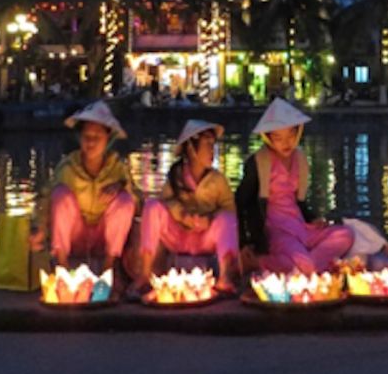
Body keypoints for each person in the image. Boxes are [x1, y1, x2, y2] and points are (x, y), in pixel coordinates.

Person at [236, 98, 354, 273]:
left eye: (290, 136)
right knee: (305, 263)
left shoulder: (299, 159)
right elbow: (240, 202)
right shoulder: (260, 162)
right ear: (268, 137)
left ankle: (305, 265)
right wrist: (244, 242)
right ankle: (267, 263)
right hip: (277, 231)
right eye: (278, 138)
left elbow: (299, 201)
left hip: (300, 226)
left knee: (346, 234)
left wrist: (312, 219)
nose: (286, 143)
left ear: (298, 133)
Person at [132, 120, 239, 294]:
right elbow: (164, 203)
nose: (212, 151)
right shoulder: (175, 176)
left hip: (205, 239)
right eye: (207, 146)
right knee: (151, 206)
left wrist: (209, 219)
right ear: (191, 148)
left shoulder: (218, 180)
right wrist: (182, 216)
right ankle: (144, 274)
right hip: (178, 238)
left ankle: (225, 277)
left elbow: (229, 212)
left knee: (227, 219)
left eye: (213, 146)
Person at [34, 101, 140, 273]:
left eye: (97, 137)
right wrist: (39, 228)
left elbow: (137, 203)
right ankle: (62, 266)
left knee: (125, 200)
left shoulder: (117, 168)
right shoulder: (68, 167)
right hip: (75, 237)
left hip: (104, 239)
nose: (91, 143)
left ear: (108, 139)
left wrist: (121, 186)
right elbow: (45, 200)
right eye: (86, 137)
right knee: (60, 194)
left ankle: (109, 268)